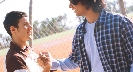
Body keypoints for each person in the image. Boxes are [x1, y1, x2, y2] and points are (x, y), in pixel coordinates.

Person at [48, 0, 133, 72]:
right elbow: (73, 61)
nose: (70, 6)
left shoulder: (119, 22)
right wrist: (50, 63)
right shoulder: (80, 31)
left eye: (73, 1)